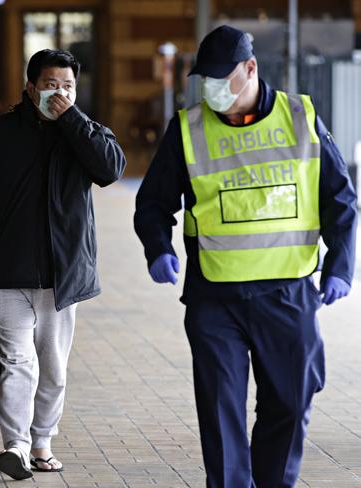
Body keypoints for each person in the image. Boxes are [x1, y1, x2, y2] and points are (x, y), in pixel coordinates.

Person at [134, 25, 357, 487]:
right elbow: (153, 202)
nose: (212, 88)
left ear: (250, 68)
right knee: (221, 413)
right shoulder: (188, 128)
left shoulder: (301, 117)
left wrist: (340, 266)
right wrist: (157, 247)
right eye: (206, 79)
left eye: (221, 77)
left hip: (288, 293)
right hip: (215, 298)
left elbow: (341, 199)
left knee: (292, 402)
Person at [0, 49, 126, 480]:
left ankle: (42, 440)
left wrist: (72, 120)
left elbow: (111, 170)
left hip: (64, 277)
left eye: (67, 86)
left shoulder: (84, 132)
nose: (59, 93)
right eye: (50, 85)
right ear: (30, 88)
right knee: (18, 364)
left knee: (54, 368)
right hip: (10, 273)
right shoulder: (2, 132)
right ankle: (17, 446)